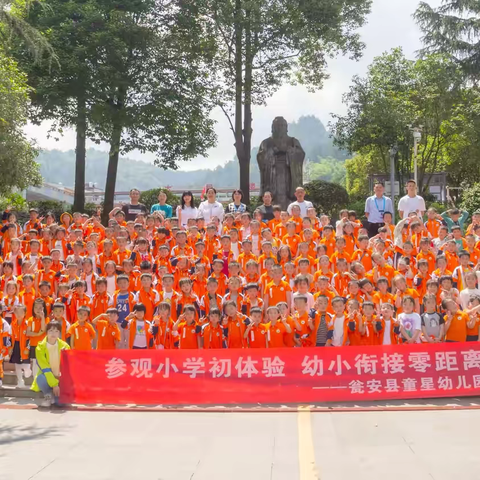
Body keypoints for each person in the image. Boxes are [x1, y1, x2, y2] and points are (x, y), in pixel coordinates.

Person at [31, 320, 70, 408]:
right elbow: (45, 368)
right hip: (47, 377)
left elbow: (69, 365)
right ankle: (48, 395)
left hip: (60, 378)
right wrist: (54, 384)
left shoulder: (65, 346)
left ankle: (57, 395)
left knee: (60, 404)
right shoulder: (40, 347)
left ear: (59, 333)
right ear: (46, 332)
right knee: (40, 378)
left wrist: (66, 353)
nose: (53, 333)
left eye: (56, 331)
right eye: (51, 330)